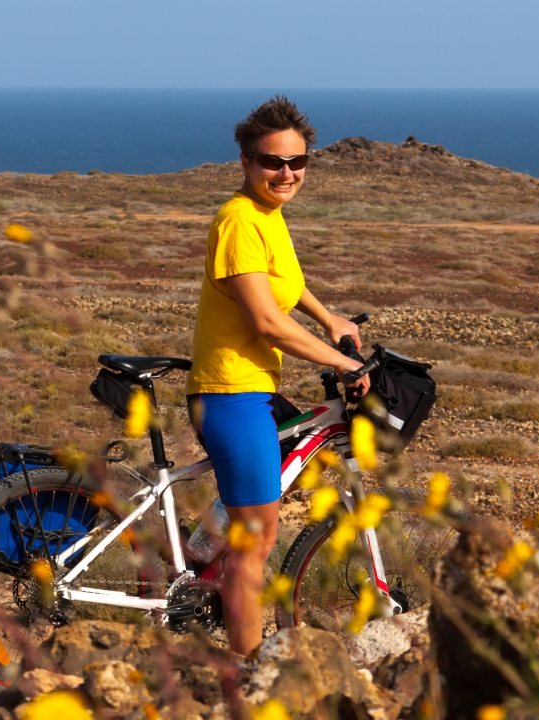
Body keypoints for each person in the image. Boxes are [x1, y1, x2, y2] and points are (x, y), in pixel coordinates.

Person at [186, 96, 369, 656]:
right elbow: (266, 320)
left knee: (251, 513)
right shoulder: (240, 220)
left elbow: (284, 285)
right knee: (254, 546)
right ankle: (245, 679)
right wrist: (341, 362)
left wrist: (328, 317)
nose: (286, 173)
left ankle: (195, 557)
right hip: (231, 392)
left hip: (252, 389)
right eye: (272, 162)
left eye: (298, 162)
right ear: (245, 162)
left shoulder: (268, 216)